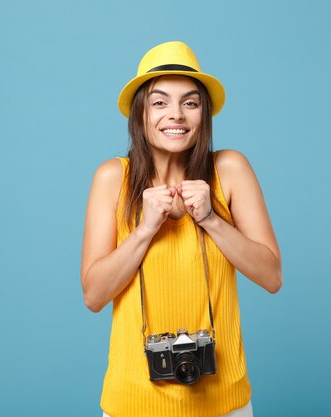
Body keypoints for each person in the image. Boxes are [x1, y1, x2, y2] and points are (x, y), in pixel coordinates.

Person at [81, 41, 282, 417]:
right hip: (133, 402)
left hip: (223, 401)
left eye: (190, 102)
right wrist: (143, 231)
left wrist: (209, 218)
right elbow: (93, 295)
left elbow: (271, 276)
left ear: (203, 113)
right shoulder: (112, 178)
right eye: (160, 102)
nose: (176, 115)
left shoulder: (230, 169)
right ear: (140, 112)